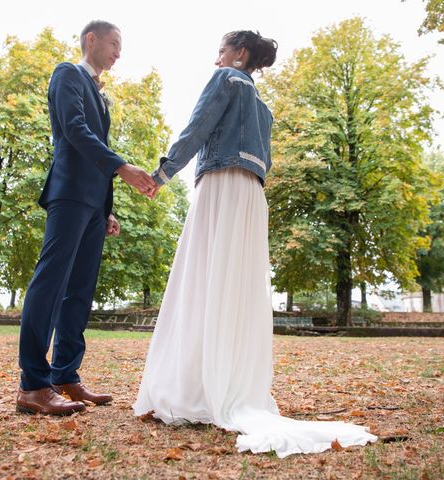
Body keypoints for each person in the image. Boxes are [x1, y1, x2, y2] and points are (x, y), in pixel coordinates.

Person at [133, 30, 378, 457]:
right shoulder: (263, 107)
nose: (217, 59)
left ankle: (197, 386)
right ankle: (228, 385)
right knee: (236, 290)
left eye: (222, 51)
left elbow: (197, 128)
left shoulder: (226, 81)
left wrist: (162, 173)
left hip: (222, 185)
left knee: (203, 282)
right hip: (251, 196)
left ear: (239, 54)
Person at [17, 20, 156, 416]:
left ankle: (65, 375)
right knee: (50, 282)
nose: (118, 52)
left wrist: (106, 207)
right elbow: (75, 131)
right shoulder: (68, 75)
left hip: (94, 204)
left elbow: (98, 144)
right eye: (114, 43)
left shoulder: (100, 93)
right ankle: (32, 384)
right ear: (91, 40)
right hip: (69, 195)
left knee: (79, 290)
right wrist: (123, 168)